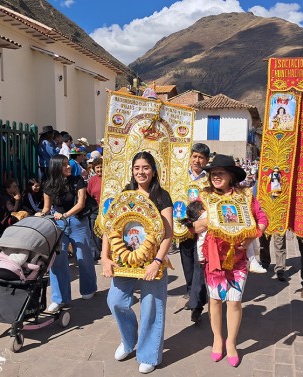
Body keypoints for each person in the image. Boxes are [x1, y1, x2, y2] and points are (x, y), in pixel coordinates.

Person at [101, 151, 173, 374]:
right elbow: (110, 227)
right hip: (124, 259)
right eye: (136, 168)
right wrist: (105, 257)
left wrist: (157, 261)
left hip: (153, 260)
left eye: (145, 168)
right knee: (116, 301)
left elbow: (168, 234)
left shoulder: (161, 196)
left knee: (151, 306)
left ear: (153, 170)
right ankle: (129, 340)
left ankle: (149, 354)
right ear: (132, 171)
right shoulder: (125, 194)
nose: (141, 172)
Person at [195, 154, 268, 367]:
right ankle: (217, 339)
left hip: (238, 258)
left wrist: (253, 236)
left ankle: (231, 343)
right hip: (213, 257)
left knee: (234, 301)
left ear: (231, 175)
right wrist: (209, 221)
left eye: (220, 173)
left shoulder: (245, 196)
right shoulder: (204, 197)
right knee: (215, 300)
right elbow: (192, 226)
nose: (216, 177)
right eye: (213, 174)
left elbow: (262, 219)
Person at [37, 155, 97, 312]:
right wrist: (41, 214)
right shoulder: (49, 185)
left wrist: (65, 215)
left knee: (83, 257)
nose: (68, 167)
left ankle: (88, 288)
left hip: (77, 221)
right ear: (56, 167)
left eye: (68, 164)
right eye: (64, 165)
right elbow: (46, 207)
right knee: (58, 259)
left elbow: (81, 203)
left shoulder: (77, 180)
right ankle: (59, 298)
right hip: (58, 225)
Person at [180, 143, 209, 323]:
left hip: (203, 229)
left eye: (201, 158)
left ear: (206, 161)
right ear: (190, 157)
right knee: (188, 264)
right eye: (195, 156)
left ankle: (196, 305)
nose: (197, 160)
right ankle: (192, 292)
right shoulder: (180, 176)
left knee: (200, 264)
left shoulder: (210, 179)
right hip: (183, 227)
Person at [87, 158, 103, 260]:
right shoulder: (92, 180)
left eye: (101, 166)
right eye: (97, 167)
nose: (99, 169)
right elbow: (88, 194)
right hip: (95, 209)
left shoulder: (111, 178)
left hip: (108, 209)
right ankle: (96, 253)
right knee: (95, 231)